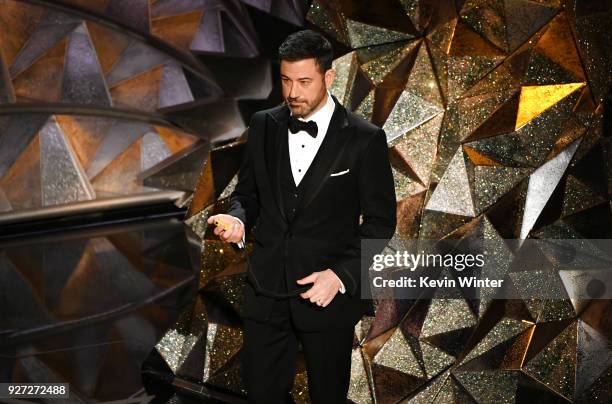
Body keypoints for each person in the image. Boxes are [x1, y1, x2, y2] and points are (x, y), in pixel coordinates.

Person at [207, 29, 396, 404]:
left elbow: (380, 223)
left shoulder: (364, 138)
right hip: (267, 292)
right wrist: (239, 220)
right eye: (286, 80)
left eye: (304, 81)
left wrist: (340, 276)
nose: (293, 92)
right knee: (262, 395)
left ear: (329, 77)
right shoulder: (264, 124)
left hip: (326, 298)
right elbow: (248, 194)